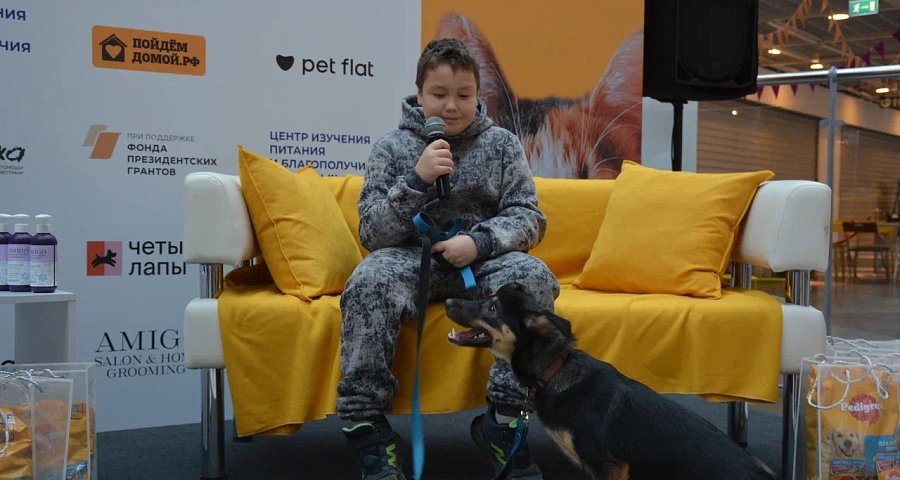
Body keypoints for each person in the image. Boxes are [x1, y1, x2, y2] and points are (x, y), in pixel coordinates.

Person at [336, 38, 561, 480]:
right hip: (409, 259)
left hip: (481, 262)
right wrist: (417, 180)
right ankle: (368, 430)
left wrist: (479, 242)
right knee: (367, 281)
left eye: (464, 95)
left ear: (478, 95)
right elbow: (373, 234)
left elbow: (528, 217)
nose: (452, 106)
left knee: (534, 277)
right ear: (420, 94)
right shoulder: (391, 148)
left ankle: (504, 423)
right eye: (439, 94)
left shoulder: (502, 145)